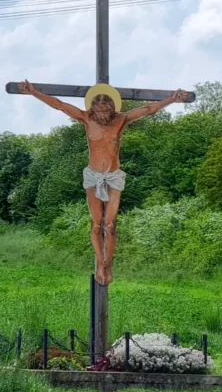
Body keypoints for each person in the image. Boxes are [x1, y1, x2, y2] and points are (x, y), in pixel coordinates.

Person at [18, 80, 187, 285]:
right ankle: (99, 261)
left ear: (112, 108)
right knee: (97, 223)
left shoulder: (121, 120)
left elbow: (149, 109)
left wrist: (171, 99)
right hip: (93, 175)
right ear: (93, 109)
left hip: (114, 175)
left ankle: (108, 263)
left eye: (105, 110)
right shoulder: (86, 119)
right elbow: (59, 104)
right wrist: (34, 92)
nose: (102, 115)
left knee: (110, 224)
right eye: (98, 111)